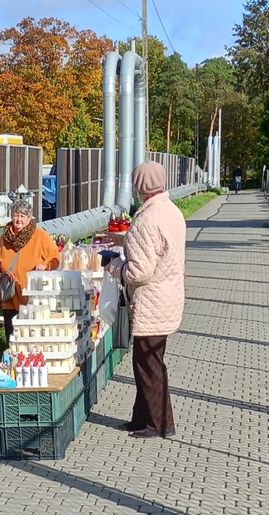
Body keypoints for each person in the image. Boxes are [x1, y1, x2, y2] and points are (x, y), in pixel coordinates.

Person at [107, 161, 186, 438]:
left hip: (151, 302)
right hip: (168, 298)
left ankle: (159, 423)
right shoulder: (172, 212)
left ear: (139, 187)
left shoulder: (146, 220)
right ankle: (140, 417)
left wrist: (115, 266)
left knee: (149, 365)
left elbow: (139, 271)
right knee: (147, 363)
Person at [0, 199, 61, 338]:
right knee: (12, 337)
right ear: (11, 216)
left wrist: (45, 266)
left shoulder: (40, 236)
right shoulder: (4, 237)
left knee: (31, 337)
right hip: (10, 296)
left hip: (32, 299)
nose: (19, 219)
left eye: (22, 216)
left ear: (29, 218)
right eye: (16, 215)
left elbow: (55, 258)